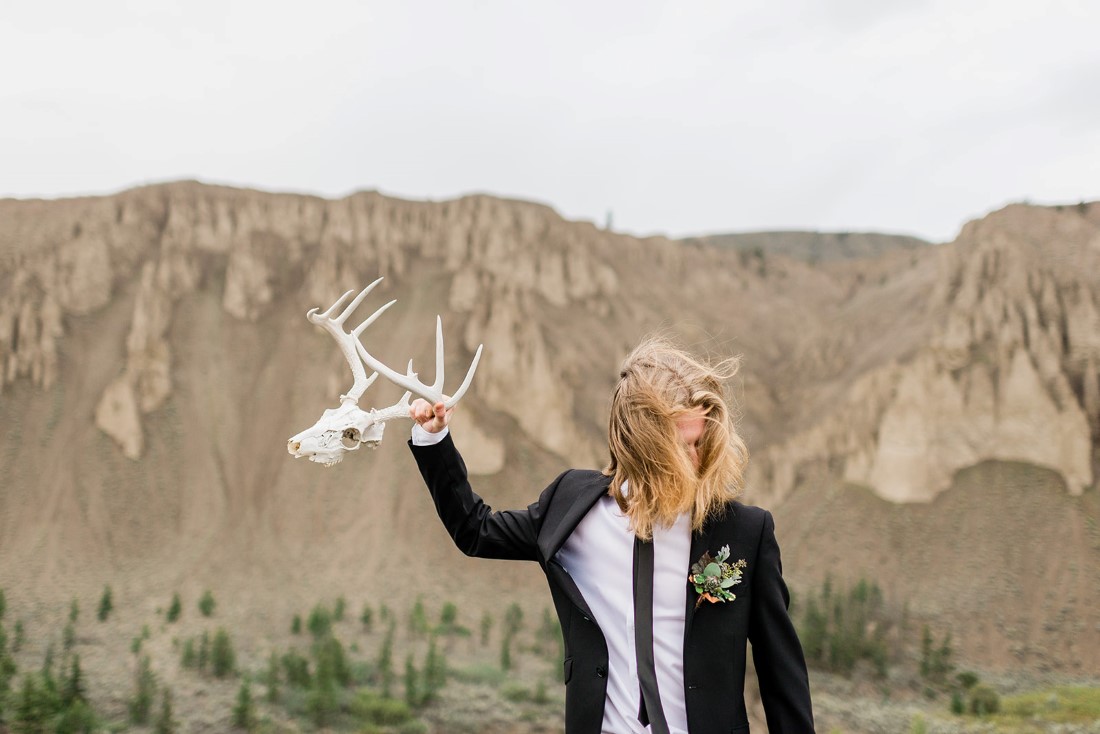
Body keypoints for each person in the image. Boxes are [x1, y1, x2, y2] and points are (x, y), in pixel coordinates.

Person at [407, 338, 815, 733]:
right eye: (684, 445)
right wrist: (434, 437)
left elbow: (782, 675)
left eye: (702, 443)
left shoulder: (744, 531)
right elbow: (475, 531)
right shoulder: (572, 509)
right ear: (643, 446)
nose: (697, 459)